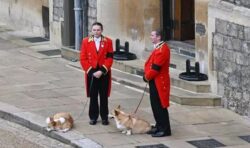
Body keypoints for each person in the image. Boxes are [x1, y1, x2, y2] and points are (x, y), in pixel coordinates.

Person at [80, 22, 113, 125]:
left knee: (104, 96)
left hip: (104, 73)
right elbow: (83, 58)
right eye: (94, 30)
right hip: (92, 72)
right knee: (93, 96)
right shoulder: (85, 41)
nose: (96, 32)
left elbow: (110, 57)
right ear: (91, 30)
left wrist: (102, 71)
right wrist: (92, 72)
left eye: (98, 30)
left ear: (102, 30)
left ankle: (104, 117)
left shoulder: (108, 41)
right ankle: (93, 117)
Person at [143, 29, 171, 137]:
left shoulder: (163, 49)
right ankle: (159, 126)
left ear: (158, 37)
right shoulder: (159, 48)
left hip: (160, 81)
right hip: (154, 80)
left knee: (160, 106)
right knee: (155, 105)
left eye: (152, 35)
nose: (151, 37)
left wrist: (146, 77)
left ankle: (165, 129)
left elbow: (155, 68)